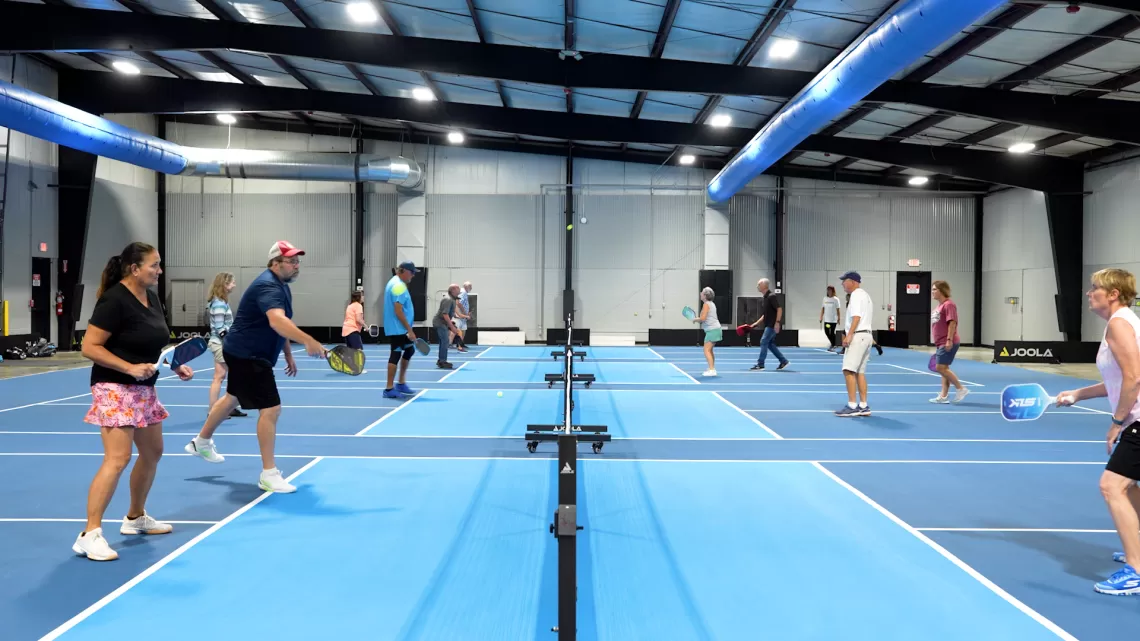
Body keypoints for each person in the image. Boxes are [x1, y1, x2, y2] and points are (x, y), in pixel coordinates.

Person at [73, 242, 194, 561]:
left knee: (153, 452)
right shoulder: (115, 300)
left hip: (144, 388)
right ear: (134, 268)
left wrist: (173, 363)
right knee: (118, 458)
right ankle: (90, 534)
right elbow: (90, 346)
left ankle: (135, 518)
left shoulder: (151, 297)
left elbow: (151, 343)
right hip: (114, 386)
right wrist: (128, 368)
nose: (159, 270)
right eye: (154, 265)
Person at [184, 240, 326, 493]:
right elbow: (277, 320)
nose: (296, 266)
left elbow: (280, 324)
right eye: (291, 261)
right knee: (271, 409)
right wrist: (307, 340)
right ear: (275, 263)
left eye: (297, 261)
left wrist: (289, 354)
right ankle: (268, 474)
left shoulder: (280, 286)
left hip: (243, 351)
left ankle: (201, 441)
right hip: (248, 355)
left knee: (232, 398)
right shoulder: (268, 286)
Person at [1057, 268, 1140, 596]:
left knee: (1111, 486)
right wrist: (1077, 394)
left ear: (1114, 294)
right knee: (1130, 486)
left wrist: (1117, 423)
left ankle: (1135, 570)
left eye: (1095, 288)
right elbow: (1117, 382)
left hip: (1138, 420)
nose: (1089, 293)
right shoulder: (1124, 322)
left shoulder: (1119, 325)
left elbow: (1134, 378)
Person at [206, 272, 246, 418]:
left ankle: (228, 407)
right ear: (225, 284)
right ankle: (213, 410)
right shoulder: (218, 304)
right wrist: (232, 343)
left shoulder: (222, 302)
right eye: (232, 282)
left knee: (232, 376)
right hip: (220, 344)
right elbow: (220, 328)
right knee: (219, 377)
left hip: (225, 344)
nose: (234, 285)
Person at [837, 271, 873, 417]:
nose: (842, 284)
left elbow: (856, 317)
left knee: (848, 370)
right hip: (866, 335)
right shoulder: (866, 295)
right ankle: (863, 405)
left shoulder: (856, 295)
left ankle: (852, 405)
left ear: (852, 281)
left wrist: (849, 335)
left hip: (858, 336)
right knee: (860, 372)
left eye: (844, 281)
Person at [383, 261, 419, 399]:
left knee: (410, 350)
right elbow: (398, 311)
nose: (413, 275)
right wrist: (409, 330)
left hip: (399, 328)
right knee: (395, 355)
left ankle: (401, 383)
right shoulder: (398, 286)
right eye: (412, 272)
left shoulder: (394, 282)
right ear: (403, 271)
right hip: (398, 329)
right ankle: (389, 388)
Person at [929, 280, 968, 404]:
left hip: (947, 341)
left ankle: (961, 389)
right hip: (940, 342)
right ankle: (943, 396)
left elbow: (952, 323)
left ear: (942, 291)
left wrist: (949, 340)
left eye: (935, 289)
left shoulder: (948, 305)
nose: (932, 292)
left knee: (940, 368)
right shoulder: (938, 306)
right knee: (944, 368)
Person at [749, 278, 789, 371]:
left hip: (772, 325)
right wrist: (755, 323)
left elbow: (779, 309)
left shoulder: (771, 296)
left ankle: (760, 364)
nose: (757, 286)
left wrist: (777, 323)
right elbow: (765, 315)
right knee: (770, 344)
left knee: (763, 341)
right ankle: (783, 361)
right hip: (769, 324)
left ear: (764, 285)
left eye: (759, 284)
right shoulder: (766, 298)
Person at [692, 286, 722, 377]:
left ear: (705, 295)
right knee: (710, 350)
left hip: (712, 330)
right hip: (716, 329)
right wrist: (697, 319)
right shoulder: (711, 304)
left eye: (702, 292)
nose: (700, 293)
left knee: (706, 350)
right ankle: (712, 368)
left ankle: (712, 370)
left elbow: (703, 318)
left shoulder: (706, 304)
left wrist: (695, 319)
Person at [433, 284, 462, 369]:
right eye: (458, 288)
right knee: (445, 341)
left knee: (444, 341)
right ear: (453, 290)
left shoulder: (452, 299)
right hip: (440, 322)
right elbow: (445, 314)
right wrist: (452, 327)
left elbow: (449, 313)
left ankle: (442, 360)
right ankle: (442, 361)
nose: (459, 290)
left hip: (443, 323)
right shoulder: (448, 299)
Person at [452, 280, 471, 353]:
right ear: (467, 287)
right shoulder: (463, 292)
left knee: (463, 330)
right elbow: (458, 302)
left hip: (463, 316)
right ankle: (458, 346)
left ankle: (461, 344)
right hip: (460, 315)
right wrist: (464, 312)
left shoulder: (464, 293)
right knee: (459, 330)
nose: (471, 288)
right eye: (471, 287)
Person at [821, 285, 842, 352]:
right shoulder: (825, 299)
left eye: (830, 290)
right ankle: (833, 343)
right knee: (827, 332)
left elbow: (838, 309)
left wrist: (839, 318)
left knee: (832, 332)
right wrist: (821, 316)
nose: (829, 291)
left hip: (833, 320)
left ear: (833, 291)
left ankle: (833, 345)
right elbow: (823, 308)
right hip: (827, 320)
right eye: (828, 290)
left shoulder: (836, 299)